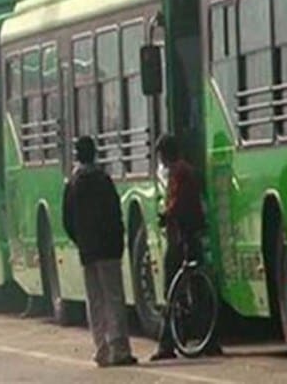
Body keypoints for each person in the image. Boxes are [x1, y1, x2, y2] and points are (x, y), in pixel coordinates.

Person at [62, 136, 137, 367]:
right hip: (109, 249)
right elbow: (115, 213)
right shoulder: (103, 180)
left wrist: (81, 241)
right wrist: (118, 240)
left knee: (94, 299)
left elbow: (67, 220)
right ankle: (119, 349)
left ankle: (101, 349)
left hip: (88, 251)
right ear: (94, 154)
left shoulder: (73, 184)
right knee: (113, 297)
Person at [151, 134, 221, 360]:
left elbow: (178, 202)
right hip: (190, 236)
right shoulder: (186, 170)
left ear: (165, 154)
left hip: (182, 238)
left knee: (171, 290)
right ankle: (208, 342)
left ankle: (167, 345)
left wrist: (166, 215)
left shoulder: (178, 172)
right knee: (196, 291)